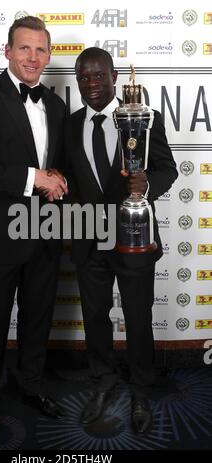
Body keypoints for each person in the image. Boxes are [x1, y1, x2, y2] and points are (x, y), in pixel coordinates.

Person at [0, 16, 68, 448]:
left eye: (41, 49)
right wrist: (35, 179)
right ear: (7, 51)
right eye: (24, 48)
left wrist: (56, 178)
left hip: (45, 232)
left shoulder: (56, 106)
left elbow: (51, 163)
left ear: (49, 54)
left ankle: (32, 385)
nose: (33, 57)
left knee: (39, 318)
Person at [65, 47, 178, 434]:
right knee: (95, 317)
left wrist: (148, 184)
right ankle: (103, 381)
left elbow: (167, 169)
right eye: (83, 77)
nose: (91, 84)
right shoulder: (71, 123)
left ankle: (141, 389)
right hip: (87, 239)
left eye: (98, 76)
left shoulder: (144, 119)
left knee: (137, 317)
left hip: (134, 237)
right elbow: (69, 182)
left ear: (115, 77)